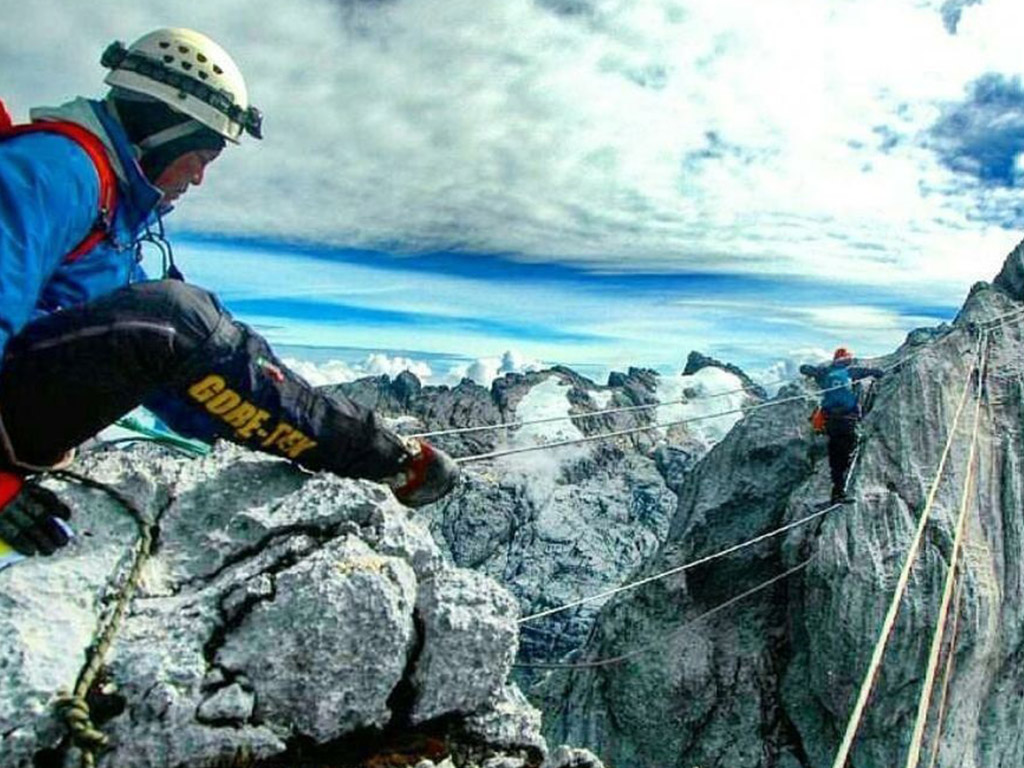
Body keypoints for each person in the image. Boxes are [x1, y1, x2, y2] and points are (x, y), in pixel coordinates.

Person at [0, 28, 459, 559]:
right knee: (175, 316)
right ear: (161, 129)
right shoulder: (55, 170)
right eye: (201, 155)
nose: (197, 178)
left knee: (178, 324)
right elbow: (167, 338)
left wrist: (249, 433)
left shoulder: (115, 217)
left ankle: (375, 454)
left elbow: (176, 372)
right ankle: (378, 455)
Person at [799, 347, 883, 504]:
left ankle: (837, 491)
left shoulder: (828, 372)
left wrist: (809, 370)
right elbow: (872, 372)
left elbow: (806, 369)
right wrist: (880, 372)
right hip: (845, 419)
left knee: (837, 454)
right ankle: (838, 492)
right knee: (843, 453)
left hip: (833, 419)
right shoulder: (849, 372)